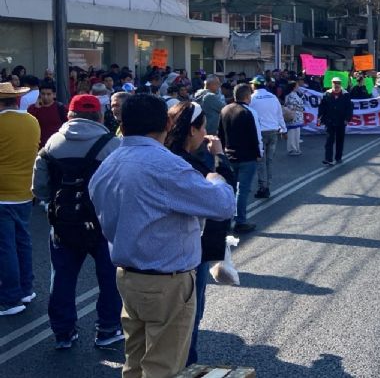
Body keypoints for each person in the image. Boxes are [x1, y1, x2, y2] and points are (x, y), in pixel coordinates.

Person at [89, 94, 236, 378]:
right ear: (166, 123)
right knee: (163, 367)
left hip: (128, 275)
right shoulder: (165, 165)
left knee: (135, 360)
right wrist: (217, 179)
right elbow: (222, 205)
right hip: (167, 279)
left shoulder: (109, 162)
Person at [31, 94, 122, 350]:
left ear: (69, 115)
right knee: (109, 277)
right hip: (103, 224)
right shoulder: (111, 144)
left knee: (61, 276)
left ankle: (63, 332)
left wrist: (54, 204)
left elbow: (39, 188)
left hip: (63, 223)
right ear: (100, 116)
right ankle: (107, 328)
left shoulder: (51, 144)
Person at [163, 101, 236, 367]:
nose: (206, 132)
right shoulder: (188, 165)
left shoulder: (158, 156)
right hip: (188, 254)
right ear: (193, 129)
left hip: (146, 260)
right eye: (203, 126)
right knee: (189, 318)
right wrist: (219, 156)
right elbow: (224, 199)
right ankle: (186, 367)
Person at [0, 81, 40, 316]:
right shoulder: (31, 121)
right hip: (25, 191)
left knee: (5, 247)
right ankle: (26, 288)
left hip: (2, 194)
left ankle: (11, 297)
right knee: (22, 242)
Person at [218, 84, 262, 234]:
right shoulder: (247, 112)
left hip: (229, 155)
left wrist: (221, 153)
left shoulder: (225, 110)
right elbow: (254, 136)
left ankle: (225, 220)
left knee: (229, 189)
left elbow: (221, 134)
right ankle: (240, 221)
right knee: (242, 190)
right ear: (247, 96)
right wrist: (258, 153)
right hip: (246, 157)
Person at [249, 76, 286, 199]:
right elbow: (279, 114)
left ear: (254, 85)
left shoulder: (252, 98)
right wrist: (284, 129)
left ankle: (262, 187)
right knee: (269, 161)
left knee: (260, 161)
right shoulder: (273, 97)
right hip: (273, 132)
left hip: (260, 133)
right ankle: (267, 186)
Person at [319, 76, 354, 165]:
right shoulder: (326, 94)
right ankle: (328, 159)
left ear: (340, 84)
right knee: (329, 140)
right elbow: (322, 107)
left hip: (341, 121)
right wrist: (320, 117)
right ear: (332, 84)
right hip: (329, 120)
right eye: (334, 83)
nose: (336, 85)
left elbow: (349, 108)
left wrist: (347, 119)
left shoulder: (345, 94)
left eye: (338, 83)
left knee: (339, 140)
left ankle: (338, 157)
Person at [28, 81, 68, 147]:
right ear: (39, 94)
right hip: (38, 147)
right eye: (43, 94)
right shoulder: (32, 108)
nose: (45, 97)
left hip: (57, 146)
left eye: (48, 94)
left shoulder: (60, 108)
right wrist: (36, 108)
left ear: (54, 95)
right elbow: (29, 125)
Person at [283, 82, 305, 156]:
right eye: (297, 86)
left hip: (298, 117)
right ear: (293, 87)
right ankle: (292, 149)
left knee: (297, 134)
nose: (298, 87)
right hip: (293, 116)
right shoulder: (290, 95)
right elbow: (290, 105)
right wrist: (300, 107)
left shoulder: (296, 94)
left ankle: (296, 148)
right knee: (292, 133)